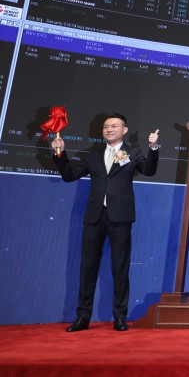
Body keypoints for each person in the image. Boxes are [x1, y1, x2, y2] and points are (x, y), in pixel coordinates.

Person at [51, 113, 159, 332]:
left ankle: (120, 317)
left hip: (120, 218)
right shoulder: (93, 156)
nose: (109, 129)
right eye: (106, 126)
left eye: (114, 126)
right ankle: (83, 317)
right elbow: (69, 175)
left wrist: (154, 148)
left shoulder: (132, 152)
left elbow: (149, 170)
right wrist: (59, 152)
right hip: (94, 216)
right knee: (87, 267)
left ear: (124, 130)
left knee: (120, 268)